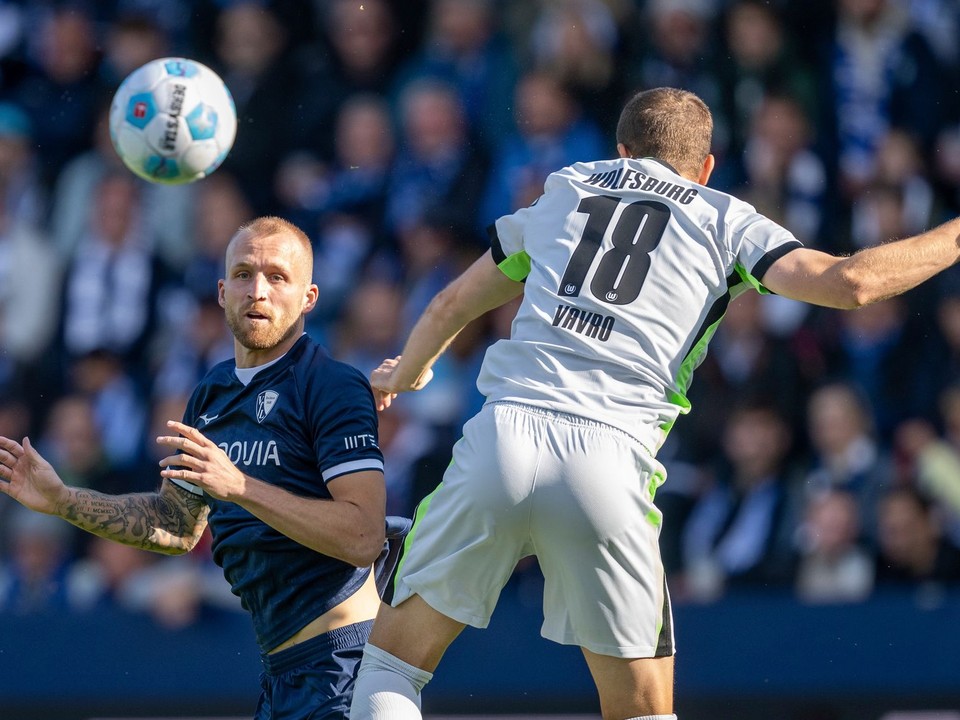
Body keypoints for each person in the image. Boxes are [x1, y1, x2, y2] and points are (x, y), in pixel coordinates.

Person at [347, 87, 960, 720]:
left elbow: (454, 304)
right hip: (609, 463)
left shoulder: (568, 187)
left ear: (622, 151)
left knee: (390, 667)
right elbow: (850, 284)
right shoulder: (726, 217)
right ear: (706, 166)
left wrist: (410, 369)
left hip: (503, 437)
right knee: (642, 714)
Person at [0, 216, 405, 719]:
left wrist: (239, 486)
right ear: (221, 291)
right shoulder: (210, 395)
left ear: (309, 297)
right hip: (281, 675)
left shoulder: (332, 387)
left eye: (278, 277)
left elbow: (364, 536)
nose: (258, 290)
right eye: (243, 274)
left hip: (346, 666)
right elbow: (175, 526)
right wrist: (64, 500)